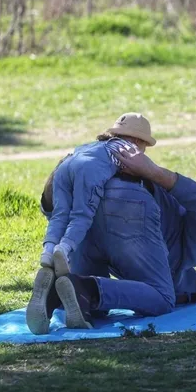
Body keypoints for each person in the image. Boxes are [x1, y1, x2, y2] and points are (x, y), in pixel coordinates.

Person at [27, 124, 196, 334]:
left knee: (88, 303)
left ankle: (61, 289)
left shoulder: (96, 157)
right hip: (129, 204)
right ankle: (86, 289)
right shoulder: (191, 249)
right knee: (163, 298)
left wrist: (67, 166)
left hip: (93, 216)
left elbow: (53, 211)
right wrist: (154, 172)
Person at [37, 113, 150, 286]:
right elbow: (138, 172)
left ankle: (48, 251)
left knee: (61, 214)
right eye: (145, 145)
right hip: (88, 171)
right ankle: (64, 249)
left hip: (65, 165)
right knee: (81, 216)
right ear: (138, 140)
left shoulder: (98, 144)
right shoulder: (129, 149)